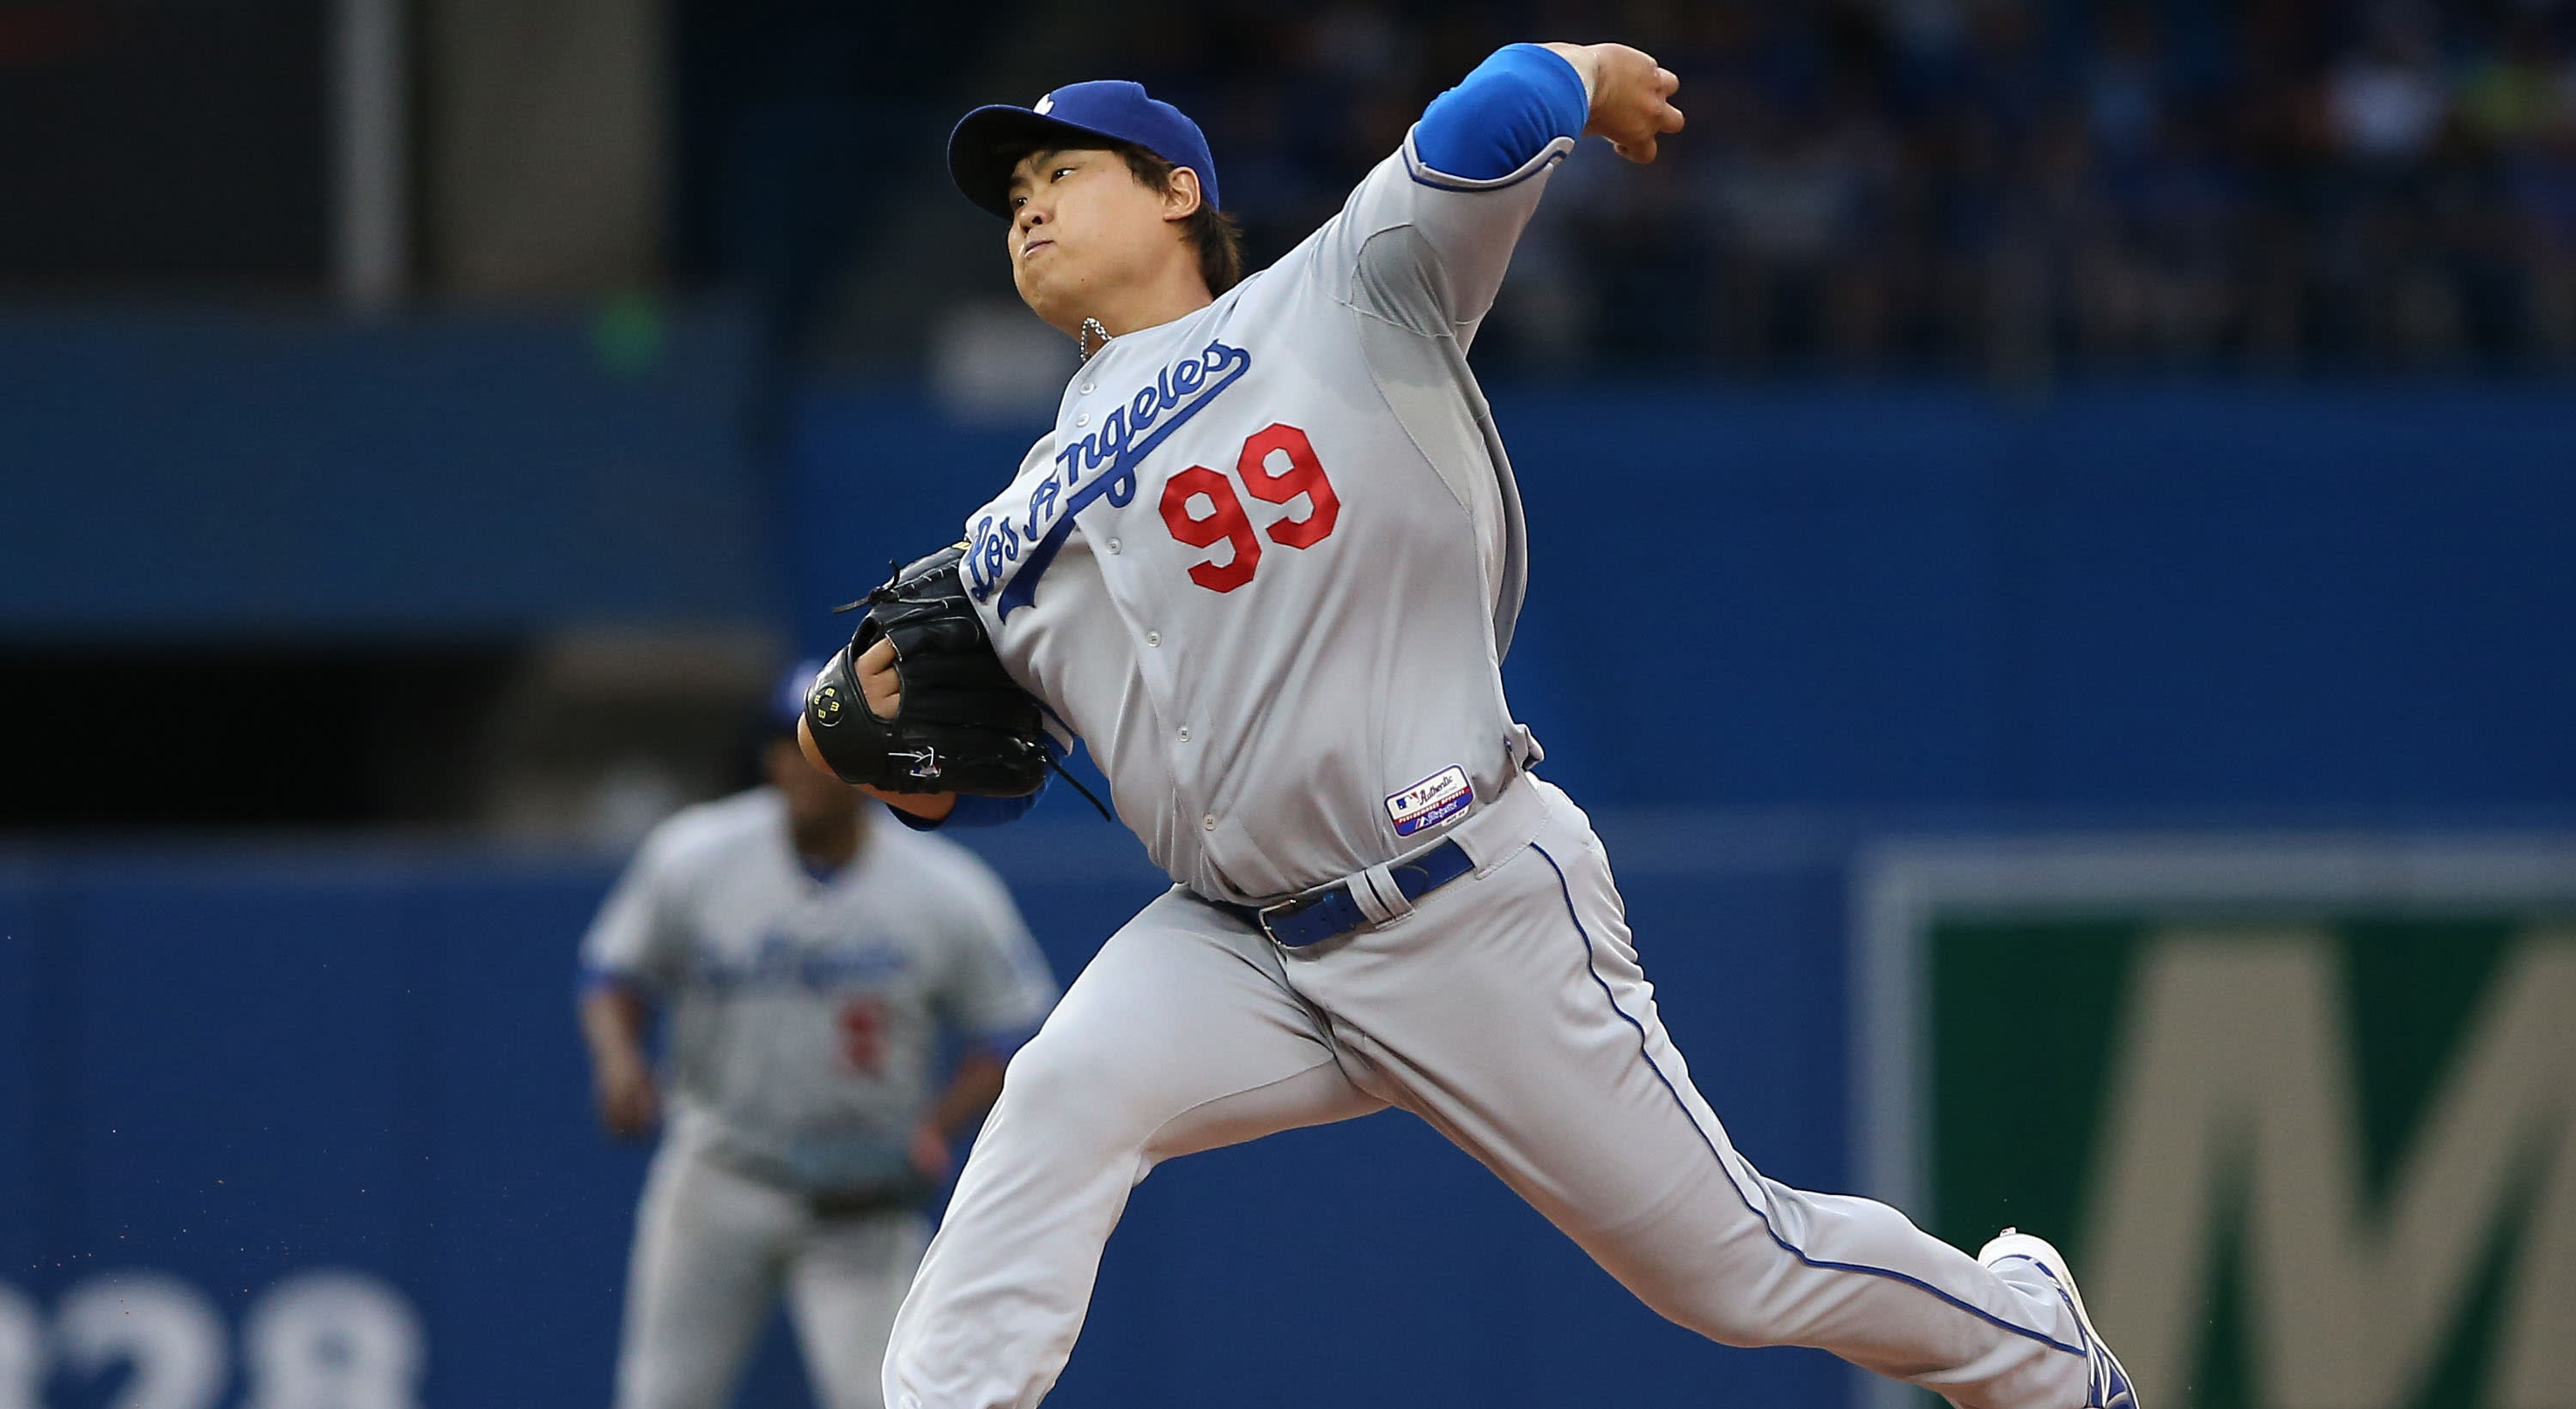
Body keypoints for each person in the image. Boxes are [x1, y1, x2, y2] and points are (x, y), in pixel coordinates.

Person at [807, 39, 2135, 1409]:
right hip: (1239, 942)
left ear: (1177, 192)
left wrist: (1587, 70)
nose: (1027, 203)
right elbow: (977, 775)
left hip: (1462, 904)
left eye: (1063, 170)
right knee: (1063, 1096)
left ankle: (2031, 1341)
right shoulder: (1015, 517)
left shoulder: (1336, 298)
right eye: (1013, 187)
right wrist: (858, 748)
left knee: (1735, 1274)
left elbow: (1494, 108)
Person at [580, 665, 1058, 1409]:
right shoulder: (696, 854)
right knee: (661, 1396)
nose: (797, 764)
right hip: (719, 1168)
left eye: (824, 746)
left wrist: (933, 1126)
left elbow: (1014, 1029)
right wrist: (618, 1062)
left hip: (858, 1188)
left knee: (885, 1399)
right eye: (785, 743)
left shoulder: (942, 888)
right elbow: (613, 975)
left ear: (871, 760)